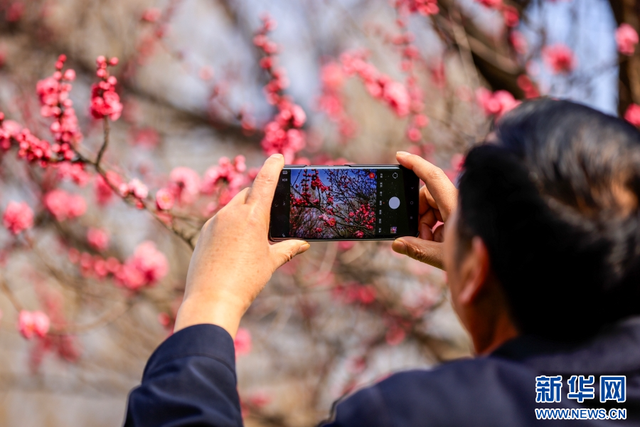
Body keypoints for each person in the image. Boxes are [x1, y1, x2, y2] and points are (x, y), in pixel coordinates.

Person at [123, 99, 640, 426]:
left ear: (477, 268)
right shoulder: (606, 397)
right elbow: (557, 394)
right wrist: (487, 269)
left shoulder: (411, 416)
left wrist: (209, 305)